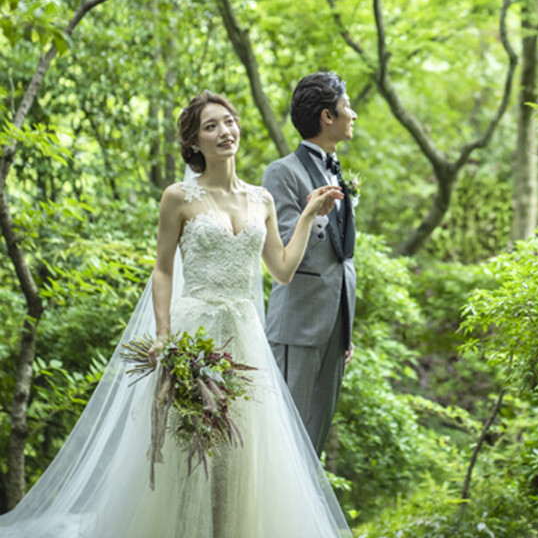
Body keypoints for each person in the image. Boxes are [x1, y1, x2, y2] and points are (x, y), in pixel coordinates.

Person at [0, 91, 352, 538]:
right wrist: (164, 332)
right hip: (194, 335)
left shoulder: (261, 199)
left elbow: (282, 271)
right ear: (194, 142)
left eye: (229, 122)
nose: (225, 132)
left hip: (245, 338)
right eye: (211, 126)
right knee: (190, 450)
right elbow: (163, 270)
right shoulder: (179, 197)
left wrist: (305, 217)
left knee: (241, 453)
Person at [262, 71, 357, 456]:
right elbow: (283, 247)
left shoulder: (336, 168)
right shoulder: (281, 172)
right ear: (326, 117)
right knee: (284, 438)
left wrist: (347, 324)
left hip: (336, 323)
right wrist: (316, 214)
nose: (353, 115)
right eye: (347, 106)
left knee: (312, 443)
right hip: (298, 326)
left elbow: (343, 255)